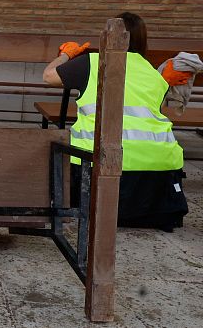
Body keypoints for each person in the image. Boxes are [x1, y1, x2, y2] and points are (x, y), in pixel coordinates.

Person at [42, 12, 188, 232]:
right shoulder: (153, 73)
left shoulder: (92, 62)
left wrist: (66, 55)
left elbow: (48, 76)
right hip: (158, 173)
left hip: (99, 167)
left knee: (51, 144)